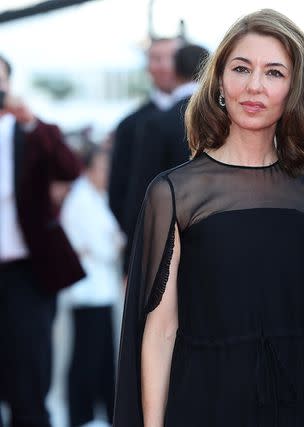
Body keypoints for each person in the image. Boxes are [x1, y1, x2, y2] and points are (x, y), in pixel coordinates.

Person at [114, 9, 304, 427]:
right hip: (207, 399)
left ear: (294, 87)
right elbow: (160, 331)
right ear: (221, 80)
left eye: (274, 72)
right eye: (242, 68)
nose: (254, 86)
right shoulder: (175, 193)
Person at [0, 54, 84, 427]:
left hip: (25, 273)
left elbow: (70, 168)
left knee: (29, 381)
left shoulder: (31, 131)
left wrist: (31, 122)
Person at [59, 144, 125, 427]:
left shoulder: (96, 197)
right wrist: (113, 242)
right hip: (88, 293)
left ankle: (101, 415)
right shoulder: (81, 200)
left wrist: (113, 241)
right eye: (102, 168)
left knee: (101, 359)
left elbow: (113, 240)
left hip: (101, 291)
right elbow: (108, 248)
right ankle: (80, 416)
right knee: (86, 359)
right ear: (88, 169)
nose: (106, 174)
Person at [108, 37, 181, 272]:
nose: (164, 66)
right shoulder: (131, 124)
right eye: (156, 59)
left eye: (171, 58)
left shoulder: (209, 119)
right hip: (148, 246)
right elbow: (118, 190)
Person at [124, 44, 209, 239]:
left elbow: (140, 195)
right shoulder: (229, 120)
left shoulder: (156, 123)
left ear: (175, 72)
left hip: (168, 236)